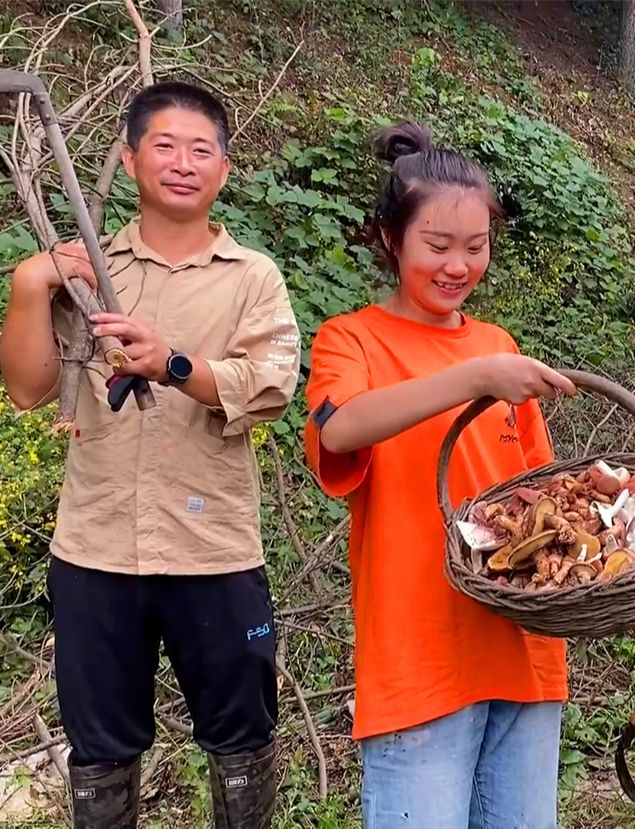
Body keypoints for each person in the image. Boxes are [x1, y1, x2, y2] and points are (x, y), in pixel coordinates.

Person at [0, 81, 300, 827]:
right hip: (97, 546)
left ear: (224, 172)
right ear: (130, 158)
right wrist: (30, 284)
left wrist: (172, 363)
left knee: (242, 738)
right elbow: (29, 388)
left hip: (213, 549)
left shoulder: (251, 276)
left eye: (202, 150)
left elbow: (269, 386)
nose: (183, 162)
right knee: (101, 747)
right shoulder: (83, 269)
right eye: (164, 145)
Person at [301, 121, 576, 829]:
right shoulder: (351, 338)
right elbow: (340, 426)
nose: (458, 265)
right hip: (418, 658)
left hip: (523, 650)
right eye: (438, 246)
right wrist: (471, 377)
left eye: (476, 248)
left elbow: (544, 493)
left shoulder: (497, 345)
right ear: (392, 240)